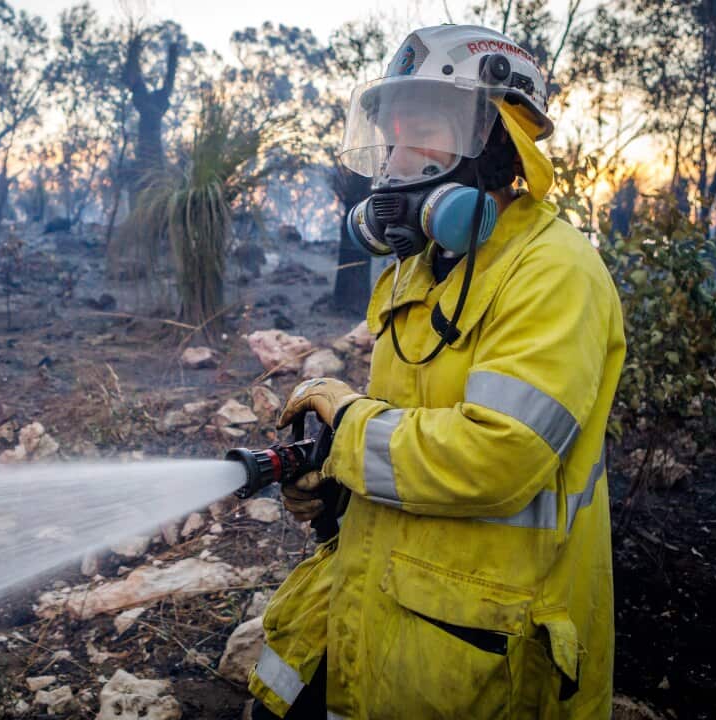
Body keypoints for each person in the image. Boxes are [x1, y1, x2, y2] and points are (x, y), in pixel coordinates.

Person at [248, 24, 626, 719]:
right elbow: (411, 432)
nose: (392, 162)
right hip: (391, 607)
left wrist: (349, 423)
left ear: (494, 138)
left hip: (487, 653)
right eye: (389, 138)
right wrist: (332, 480)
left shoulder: (554, 271)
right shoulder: (420, 270)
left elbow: (496, 456)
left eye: (420, 133)